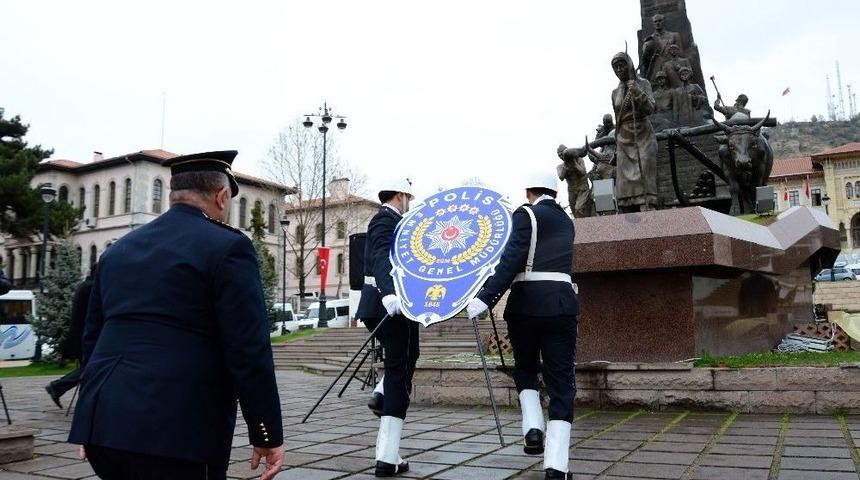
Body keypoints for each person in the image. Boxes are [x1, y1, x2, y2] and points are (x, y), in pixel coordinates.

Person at [68, 151, 284, 480]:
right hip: (179, 431)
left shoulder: (119, 250)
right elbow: (248, 348)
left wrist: (91, 417)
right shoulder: (228, 248)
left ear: (173, 196)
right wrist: (265, 432)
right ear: (222, 196)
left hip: (104, 426)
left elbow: (93, 338)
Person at [467, 172, 579, 480]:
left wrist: (485, 298)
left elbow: (512, 259)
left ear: (529, 190)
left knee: (525, 367)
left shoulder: (526, 213)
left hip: (526, 305)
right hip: (561, 305)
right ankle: (556, 465)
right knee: (561, 383)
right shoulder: (567, 221)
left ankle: (532, 428)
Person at [355, 177, 417, 477]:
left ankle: (380, 393)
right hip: (386, 305)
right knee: (399, 376)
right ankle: (387, 457)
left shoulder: (396, 221)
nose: (410, 203)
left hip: (393, 307)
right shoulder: (385, 219)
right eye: (409, 197)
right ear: (399, 195)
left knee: (408, 357)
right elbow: (381, 256)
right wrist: (389, 292)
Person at [611, 51, 659, 212]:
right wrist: (616, 142)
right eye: (615, 67)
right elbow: (617, 118)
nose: (619, 70)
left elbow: (651, 108)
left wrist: (637, 92)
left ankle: (648, 211)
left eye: (622, 65)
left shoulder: (643, 83)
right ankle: (628, 217)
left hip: (642, 135)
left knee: (645, 177)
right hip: (624, 138)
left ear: (629, 65)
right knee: (624, 185)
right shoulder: (615, 93)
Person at [44, 266, 94, 409]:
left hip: (79, 334)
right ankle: (57, 386)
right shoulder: (91, 288)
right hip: (85, 335)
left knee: (90, 367)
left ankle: (58, 387)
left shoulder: (84, 286)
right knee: (91, 367)